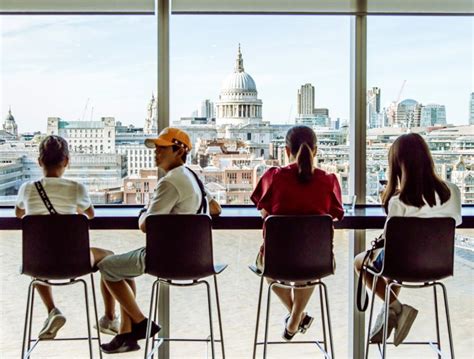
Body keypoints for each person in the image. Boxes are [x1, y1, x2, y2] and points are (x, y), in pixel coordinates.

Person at [98, 127, 222, 354]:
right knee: (121, 268)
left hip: (166, 257)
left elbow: (147, 225)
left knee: (107, 266)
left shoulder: (170, 182)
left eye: (162, 148)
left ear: (179, 150)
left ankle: (140, 322)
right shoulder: (193, 176)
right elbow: (215, 209)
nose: (156, 152)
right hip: (196, 258)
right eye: (156, 148)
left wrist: (143, 211)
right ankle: (126, 336)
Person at [354, 133, 462, 346]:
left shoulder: (399, 200)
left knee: (361, 262)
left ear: (397, 165)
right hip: (437, 265)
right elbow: (454, 223)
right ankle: (390, 313)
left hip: (403, 264)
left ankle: (396, 308)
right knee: (401, 258)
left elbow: (393, 239)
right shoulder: (453, 192)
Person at [15, 135, 118, 340]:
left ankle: (52, 310)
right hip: (75, 262)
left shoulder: (26, 188)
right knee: (110, 256)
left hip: (38, 262)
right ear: (67, 161)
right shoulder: (76, 188)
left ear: (39, 162)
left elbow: (20, 214)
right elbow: (90, 214)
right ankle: (109, 317)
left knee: (39, 259)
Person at [250, 125, 344, 341]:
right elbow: (336, 215)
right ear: (316, 151)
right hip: (317, 261)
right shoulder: (328, 180)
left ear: (285, 150)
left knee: (266, 269)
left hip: (276, 261)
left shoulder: (273, 176)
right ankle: (295, 320)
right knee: (307, 268)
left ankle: (295, 318)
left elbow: (263, 212)